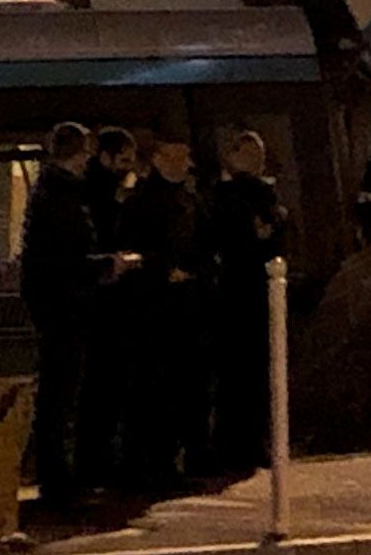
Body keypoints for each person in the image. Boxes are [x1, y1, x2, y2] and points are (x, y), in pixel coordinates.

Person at [20, 122, 128, 506]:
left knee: (61, 396)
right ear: (76, 153)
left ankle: (60, 478)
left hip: (60, 304)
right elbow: (65, 260)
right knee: (60, 397)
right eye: (85, 154)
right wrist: (107, 265)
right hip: (64, 307)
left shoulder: (52, 193)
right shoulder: (61, 198)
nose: (87, 161)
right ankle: (58, 482)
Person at [118, 121, 215, 488]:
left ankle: (194, 454)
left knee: (193, 386)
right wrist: (164, 271)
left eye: (185, 156)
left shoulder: (190, 200)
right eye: (177, 155)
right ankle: (160, 462)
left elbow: (206, 244)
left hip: (190, 307)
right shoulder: (140, 204)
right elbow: (133, 255)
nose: (185, 163)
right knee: (162, 389)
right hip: (158, 313)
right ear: (159, 158)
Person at [209, 129, 285, 475]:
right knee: (239, 372)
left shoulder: (259, 196)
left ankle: (249, 441)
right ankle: (238, 443)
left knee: (253, 372)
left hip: (252, 293)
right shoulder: (227, 198)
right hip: (238, 293)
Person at [76, 126, 137, 489]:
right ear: (106, 158)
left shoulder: (95, 193)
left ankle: (97, 462)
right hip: (102, 305)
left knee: (103, 389)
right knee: (101, 389)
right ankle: (96, 463)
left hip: (103, 304)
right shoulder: (99, 197)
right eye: (124, 160)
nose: (129, 168)